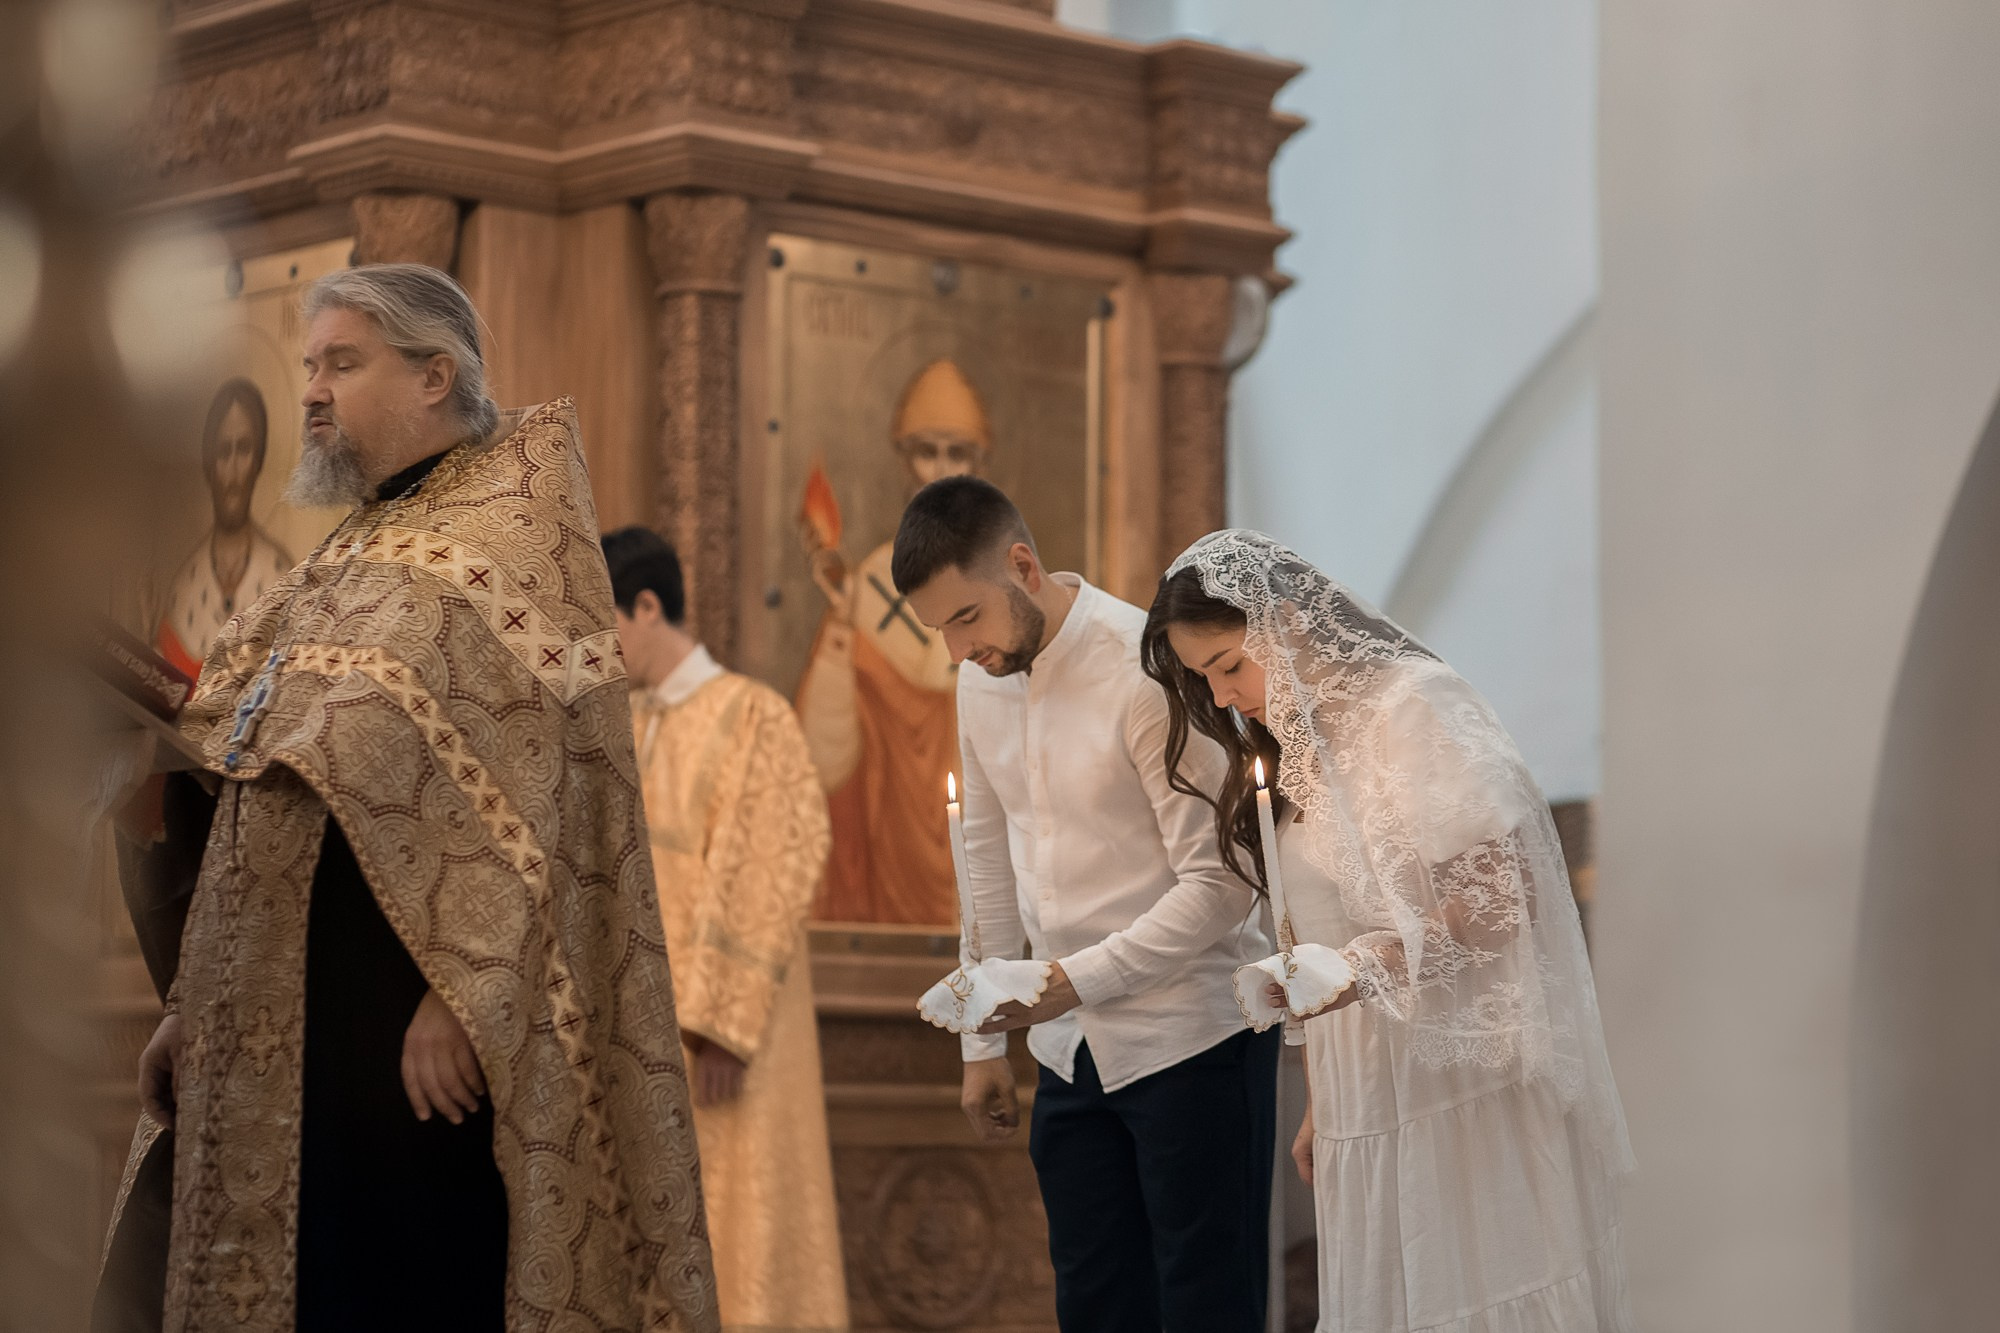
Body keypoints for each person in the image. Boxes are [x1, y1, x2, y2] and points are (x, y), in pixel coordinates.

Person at [103, 264, 718, 1333]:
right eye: (308, 365)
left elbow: (543, 787)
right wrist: (184, 1006)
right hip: (281, 1027)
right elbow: (257, 783)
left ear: (436, 375)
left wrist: (463, 994)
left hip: (409, 1033)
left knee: (403, 1281)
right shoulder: (347, 553)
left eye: (343, 362)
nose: (312, 391)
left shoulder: (508, 545)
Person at [1142, 529, 1635, 1333]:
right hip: (1364, 1098)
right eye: (1206, 679)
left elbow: (1500, 897)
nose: (1225, 697)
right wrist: (1321, 1103)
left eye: (1230, 664)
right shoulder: (1299, 746)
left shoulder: (1415, 706)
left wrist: (1362, 966)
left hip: (1458, 1088)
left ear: (1290, 622)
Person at [893, 477, 1277, 1333]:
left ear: (1022, 566)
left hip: (1193, 1040)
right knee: (1096, 1307)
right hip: (1070, 1053)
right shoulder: (978, 685)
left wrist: (1072, 979)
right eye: (940, 630)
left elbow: (1222, 887)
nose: (958, 649)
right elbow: (985, 861)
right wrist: (982, 1041)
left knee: (1206, 1309)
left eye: (966, 618)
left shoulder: (1143, 671)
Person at [604, 526, 850, 1333]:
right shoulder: (618, 727)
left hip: (723, 1045)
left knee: (738, 1237)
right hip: (633, 1040)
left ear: (646, 606)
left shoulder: (753, 714)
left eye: (599, 622)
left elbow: (771, 867)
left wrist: (722, 1026)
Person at [795, 358, 991, 924]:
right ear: (905, 460)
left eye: (958, 454)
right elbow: (824, 756)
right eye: (927, 451)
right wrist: (839, 631)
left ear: (980, 464)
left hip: (981, 843)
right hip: (890, 845)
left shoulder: (1005, 586)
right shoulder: (872, 584)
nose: (941, 469)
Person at [154, 378, 293, 681]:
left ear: (258, 461)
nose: (232, 469)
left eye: (243, 449)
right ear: (208, 463)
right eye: (222, 451)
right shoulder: (184, 583)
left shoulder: (280, 574)